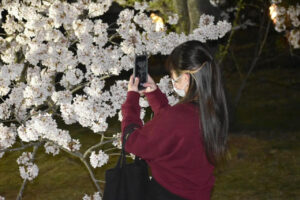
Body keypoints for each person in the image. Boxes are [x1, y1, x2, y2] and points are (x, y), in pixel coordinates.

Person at [121, 40, 229, 200]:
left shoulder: (179, 117)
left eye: (174, 79)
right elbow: (175, 129)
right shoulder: (213, 110)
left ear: (186, 78)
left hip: (168, 194)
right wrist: (154, 95)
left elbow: (132, 141)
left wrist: (131, 99)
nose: (174, 84)